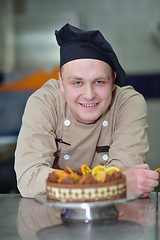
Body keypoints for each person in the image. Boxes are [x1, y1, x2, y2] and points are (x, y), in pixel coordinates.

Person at [14, 23, 159, 198]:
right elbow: (29, 179)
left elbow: (128, 170)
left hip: (115, 215)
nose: (89, 95)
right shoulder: (45, 102)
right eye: (77, 83)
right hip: (55, 215)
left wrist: (70, 184)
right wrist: (117, 183)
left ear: (113, 80)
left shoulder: (127, 103)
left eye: (99, 82)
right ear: (61, 82)